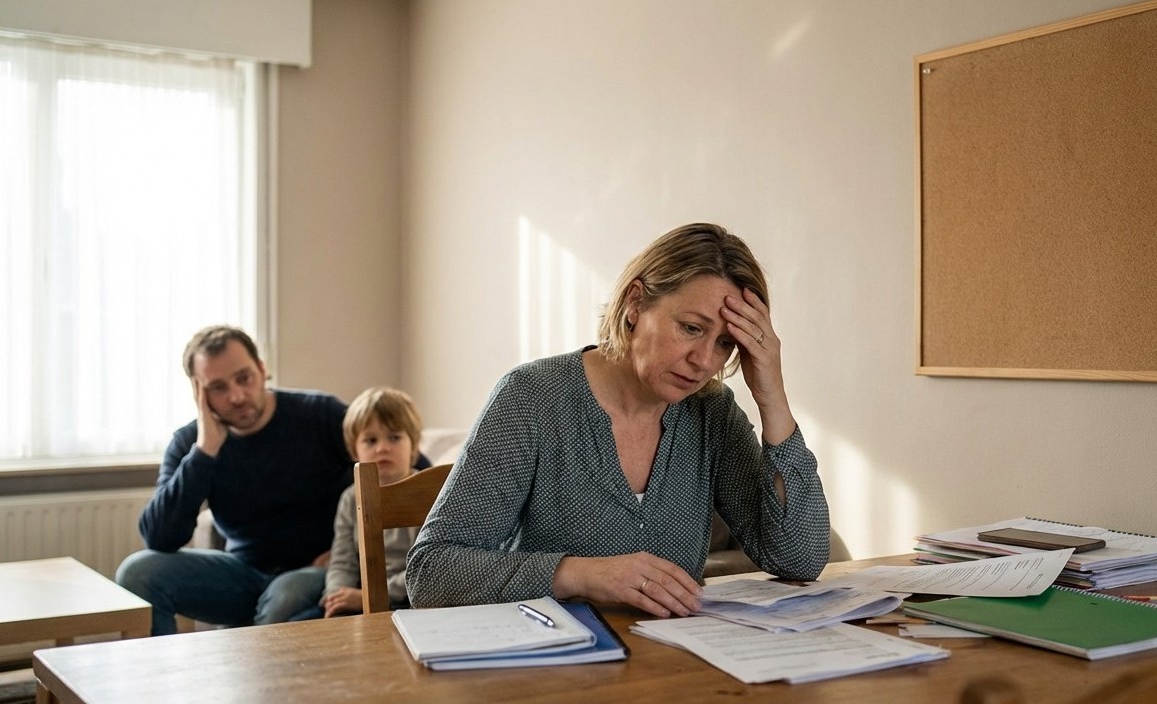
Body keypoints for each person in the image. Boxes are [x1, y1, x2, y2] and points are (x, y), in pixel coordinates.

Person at [407, 223, 830, 618]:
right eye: (690, 328)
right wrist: (578, 575)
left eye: (724, 343)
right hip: (551, 672)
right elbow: (431, 572)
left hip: (676, 671)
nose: (704, 361)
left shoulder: (711, 412)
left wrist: (771, 396)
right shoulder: (532, 397)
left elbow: (800, 558)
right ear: (634, 304)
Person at [115, 325, 353, 635]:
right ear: (198, 392)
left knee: (282, 599)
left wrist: (354, 551)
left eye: (244, 378)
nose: (237, 396)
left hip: (321, 570)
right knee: (137, 572)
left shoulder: (322, 415)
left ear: (262, 369)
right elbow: (160, 537)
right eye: (218, 387)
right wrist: (205, 451)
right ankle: (162, 681)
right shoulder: (192, 442)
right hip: (243, 574)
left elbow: (410, 475)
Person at [315, 386, 426, 618]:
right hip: (361, 596)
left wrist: (370, 596)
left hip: (412, 598)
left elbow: (429, 569)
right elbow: (342, 559)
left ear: (414, 446)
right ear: (354, 451)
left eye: (394, 437)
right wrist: (336, 594)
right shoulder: (350, 499)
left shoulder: (427, 491)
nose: (382, 447)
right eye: (370, 440)